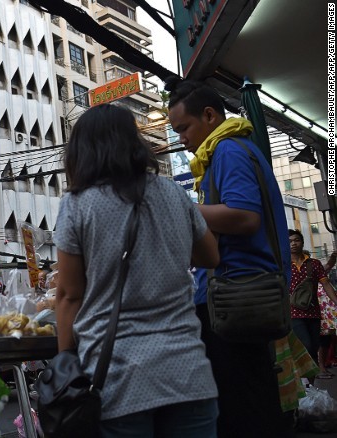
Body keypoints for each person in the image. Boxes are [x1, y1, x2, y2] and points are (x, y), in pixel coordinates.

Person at [54, 104, 220, 436]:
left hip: (118, 376)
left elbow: (70, 295)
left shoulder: (77, 205)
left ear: (81, 152)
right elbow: (210, 256)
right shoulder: (173, 192)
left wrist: (64, 362)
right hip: (188, 372)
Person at [166, 78, 293, 437]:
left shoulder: (229, 151)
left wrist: (183, 209)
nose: (182, 139)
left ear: (209, 115)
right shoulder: (225, 151)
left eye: (184, 128)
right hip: (234, 292)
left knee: (242, 402)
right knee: (245, 395)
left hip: (238, 293)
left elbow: (244, 215)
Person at [288, 229, 337, 375]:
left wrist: (335, 301)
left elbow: (326, 284)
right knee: (307, 345)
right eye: (289, 241)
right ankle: (305, 378)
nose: (293, 244)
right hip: (293, 312)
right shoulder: (283, 264)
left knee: (315, 346)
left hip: (313, 312)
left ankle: (311, 382)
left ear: (302, 242)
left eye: (296, 240)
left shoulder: (314, 264)